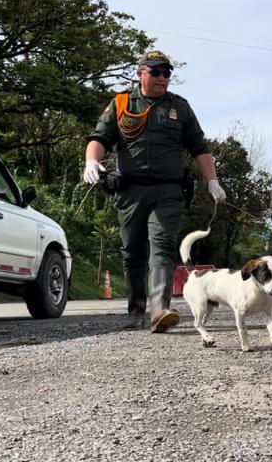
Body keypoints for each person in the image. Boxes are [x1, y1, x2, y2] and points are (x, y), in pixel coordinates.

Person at [83, 50, 226, 333]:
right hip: (130, 191)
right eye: (156, 72)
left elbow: (199, 147)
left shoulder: (180, 107)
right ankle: (136, 311)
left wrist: (212, 180)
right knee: (132, 252)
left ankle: (159, 311)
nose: (163, 78)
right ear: (140, 74)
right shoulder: (121, 103)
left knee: (161, 246)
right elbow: (100, 138)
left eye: (167, 73)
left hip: (168, 190)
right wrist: (91, 160)